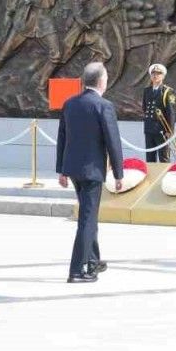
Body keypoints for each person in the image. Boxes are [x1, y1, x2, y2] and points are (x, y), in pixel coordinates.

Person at [55, 62, 122, 284]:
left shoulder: (70, 104)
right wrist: (119, 173)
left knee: (88, 216)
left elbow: (62, 138)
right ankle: (76, 270)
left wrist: (61, 170)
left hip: (74, 170)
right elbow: (113, 141)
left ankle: (93, 260)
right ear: (102, 81)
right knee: (87, 220)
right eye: (106, 77)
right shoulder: (104, 106)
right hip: (92, 172)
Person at [142, 63, 176, 163]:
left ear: (163, 76)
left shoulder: (167, 91)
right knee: (150, 158)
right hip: (149, 129)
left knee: (164, 158)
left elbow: (171, 112)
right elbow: (145, 108)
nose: (155, 75)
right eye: (153, 73)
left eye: (158, 73)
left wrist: (169, 130)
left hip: (162, 130)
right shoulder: (147, 91)